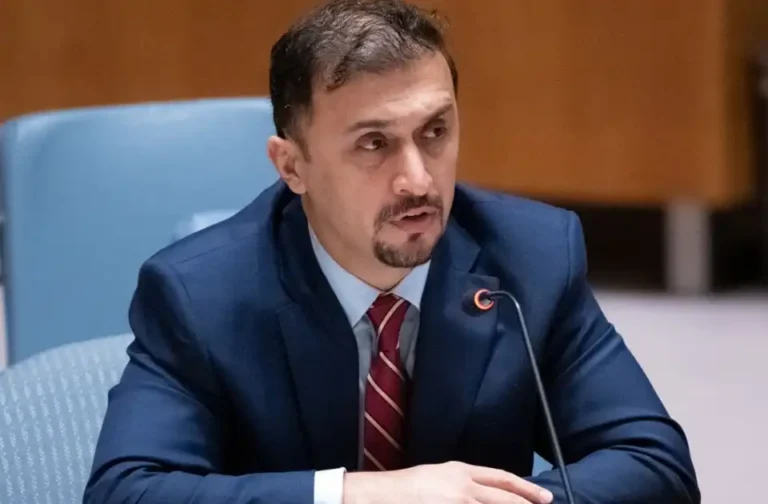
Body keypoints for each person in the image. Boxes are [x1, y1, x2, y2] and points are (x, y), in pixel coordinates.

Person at [84, 0, 700, 502]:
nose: (418, 181)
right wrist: (359, 496)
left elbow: (654, 465)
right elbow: (127, 491)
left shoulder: (532, 259)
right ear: (292, 166)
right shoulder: (199, 295)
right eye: (374, 143)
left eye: (435, 132)